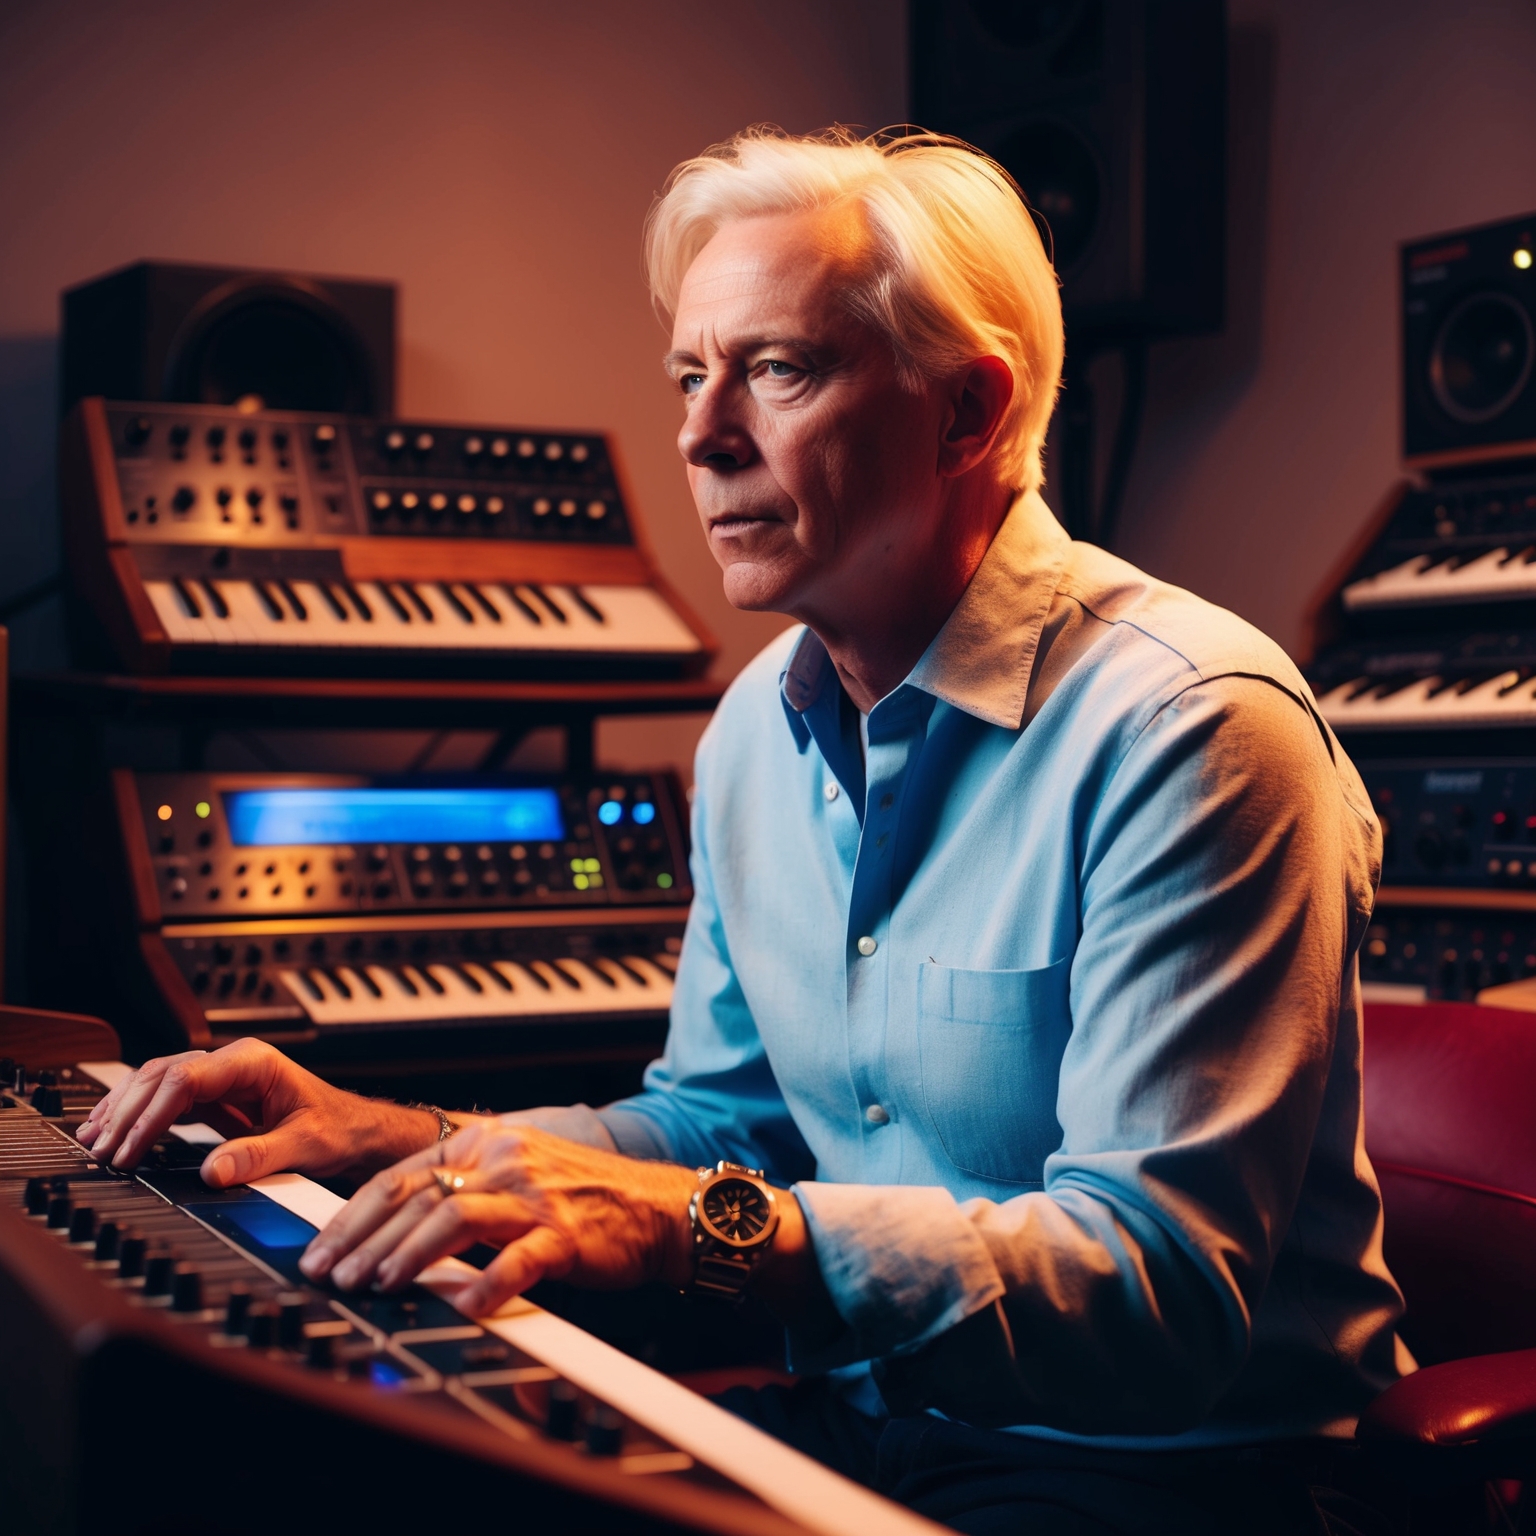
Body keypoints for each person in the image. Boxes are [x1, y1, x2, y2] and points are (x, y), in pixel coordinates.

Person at [80, 127, 1410, 1534]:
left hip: (1179, 1476)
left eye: (778, 369)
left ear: (966, 414)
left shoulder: (1195, 730)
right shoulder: (748, 737)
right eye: (689, 374)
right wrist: (400, 1143)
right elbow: (724, 1123)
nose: (700, 434)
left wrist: (682, 1230)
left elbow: (1157, 1298)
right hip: (870, 1414)